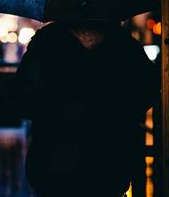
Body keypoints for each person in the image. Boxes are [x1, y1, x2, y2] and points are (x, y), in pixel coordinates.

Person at [10, 20, 159, 196]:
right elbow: (148, 91)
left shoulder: (47, 42)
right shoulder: (123, 42)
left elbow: (23, 99)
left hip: (53, 158)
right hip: (109, 158)